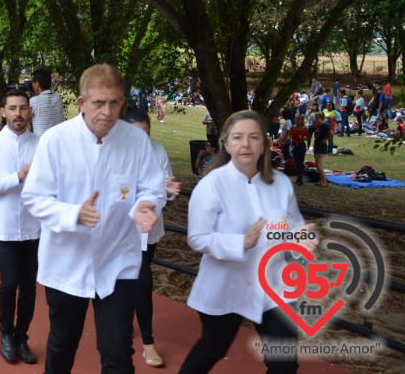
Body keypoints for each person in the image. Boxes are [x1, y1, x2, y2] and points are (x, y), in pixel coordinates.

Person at [21, 64, 165, 374]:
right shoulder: (55, 140)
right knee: (62, 344)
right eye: (99, 102)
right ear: (82, 102)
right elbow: (34, 197)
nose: (108, 112)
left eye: (115, 103)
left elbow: (152, 187)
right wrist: (72, 212)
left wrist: (146, 204)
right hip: (66, 262)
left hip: (118, 261)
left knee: (118, 354)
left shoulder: (136, 141)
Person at [177, 110, 317, 374]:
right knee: (212, 348)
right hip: (227, 285)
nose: (245, 144)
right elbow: (197, 238)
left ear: (264, 144)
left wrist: (301, 238)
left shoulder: (281, 184)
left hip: (274, 288)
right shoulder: (211, 185)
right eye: (238, 137)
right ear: (227, 144)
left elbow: (292, 228)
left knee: (284, 363)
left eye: (254, 137)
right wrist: (240, 242)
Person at [0, 89, 40, 364]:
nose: (18, 114)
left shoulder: (41, 144)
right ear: (2, 111)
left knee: (29, 286)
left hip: (34, 228)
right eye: (12, 108)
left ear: (30, 111)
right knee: (9, 282)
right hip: (3, 228)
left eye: (23, 108)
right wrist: (17, 176)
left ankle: (22, 337)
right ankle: (5, 332)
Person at [122, 108, 181, 369]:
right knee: (134, 282)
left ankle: (141, 335)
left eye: (147, 133)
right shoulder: (115, 152)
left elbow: (167, 192)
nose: (143, 140)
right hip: (122, 232)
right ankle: (141, 337)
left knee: (141, 281)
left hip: (149, 231)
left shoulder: (158, 151)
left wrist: (167, 192)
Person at [30, 69, 64, 134]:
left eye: (32, 83)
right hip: (58, 141)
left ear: (37, 84)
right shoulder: (57, 97)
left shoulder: (34, 101)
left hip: (42, 142)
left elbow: (24, 119)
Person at [311, 112, 331, 188]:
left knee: (318, 164)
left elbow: (331, 133)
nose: (315, 120)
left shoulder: (324, 126)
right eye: (315, 118)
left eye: (317, 118)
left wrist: (325, 139)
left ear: (322, 119)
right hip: (316, 146)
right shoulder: (317, 126)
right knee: (319, 165)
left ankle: (325, 182)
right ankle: (321, 180)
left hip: (322, 146)